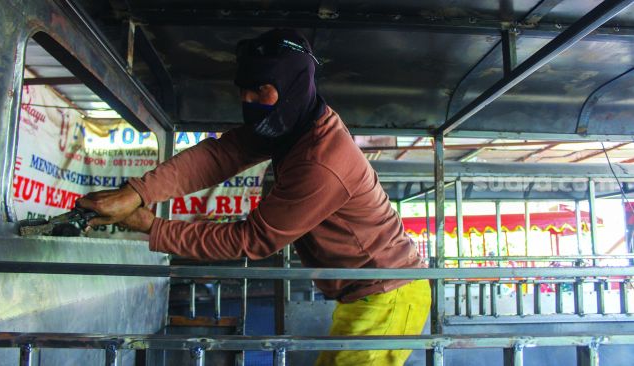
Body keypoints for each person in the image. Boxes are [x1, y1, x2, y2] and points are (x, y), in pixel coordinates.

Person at [77, 28, 430, 366]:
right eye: (243, 89)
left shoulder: (322, 160)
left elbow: (253, 239)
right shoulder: (292, 123)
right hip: (367, 293)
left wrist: (153, 228)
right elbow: (219, 156)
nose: (247, 100)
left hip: (388, 297)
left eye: (260, 89)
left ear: (293, 86)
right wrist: (137, 192)